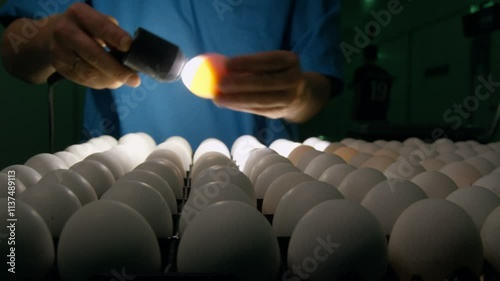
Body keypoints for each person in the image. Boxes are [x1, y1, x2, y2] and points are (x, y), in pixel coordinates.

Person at [1, 0, 344, 149]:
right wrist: (50, 41)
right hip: (117, 184)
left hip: (259, 184)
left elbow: (318, 86)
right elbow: (13, 51)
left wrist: (297, 94)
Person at [352, 44, 392, 122]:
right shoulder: (385, 74)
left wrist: (353, 114)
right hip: (381, 114)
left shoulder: (361, 72)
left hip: (365, 114)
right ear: (376, 57)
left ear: (364, 56)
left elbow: (358, 95)